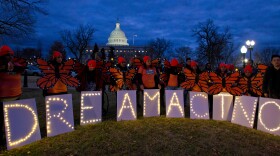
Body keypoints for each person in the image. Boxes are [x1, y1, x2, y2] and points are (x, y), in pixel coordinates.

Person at [0, 45, 26, 145]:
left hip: (16, 96)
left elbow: (22, 67)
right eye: (7, 55)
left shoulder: (16, 65)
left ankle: (14, 136)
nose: (10, 57)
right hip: (2, 98)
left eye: (11, 55)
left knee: (14, 120)